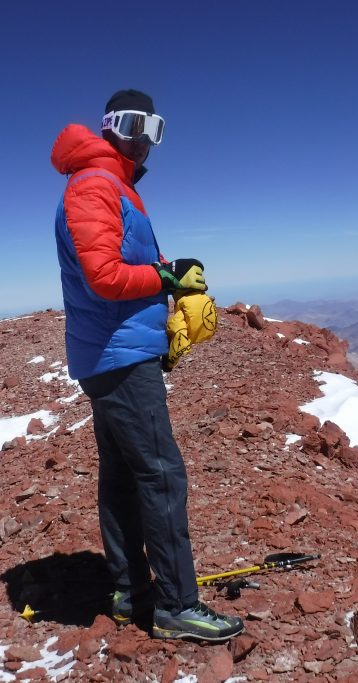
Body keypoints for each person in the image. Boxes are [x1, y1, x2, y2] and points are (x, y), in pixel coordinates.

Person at [50, 89, 244, 642]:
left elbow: (122, 263)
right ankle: (177, 605)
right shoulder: (93, 186)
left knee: (122, 477)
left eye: (152, 128)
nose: (142, 139)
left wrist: (169, 269)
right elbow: (105, 277)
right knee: (161, 475)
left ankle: (130, 588)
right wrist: (166, 280)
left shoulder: (113, 187)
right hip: (118, 356)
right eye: (133, 125)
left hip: (115, 352)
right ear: (109, 126)